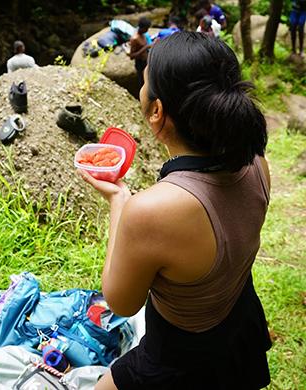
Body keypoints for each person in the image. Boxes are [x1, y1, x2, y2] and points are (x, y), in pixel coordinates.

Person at [79, 32, 272, 389]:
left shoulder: (153, 210)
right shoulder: (256, 162)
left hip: (183, 358)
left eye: (145, 80)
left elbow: (121, 301)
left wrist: (120, 202)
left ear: (156, 111)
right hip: (238, 320)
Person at [128, 17, 152, 89]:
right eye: (146, 28)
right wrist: (146, 47)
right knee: (142, 82)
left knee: (149, 81)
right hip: (140, 63)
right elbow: (131, 56)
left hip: (146, 61)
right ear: (141, 28)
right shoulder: (134, 39)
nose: (147, 30)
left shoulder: (144, 35)